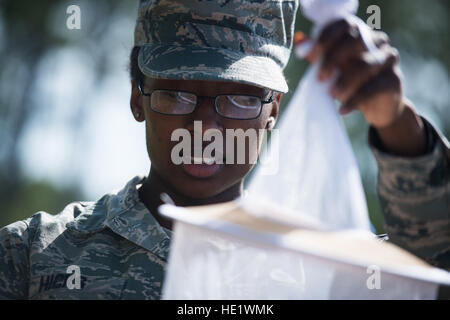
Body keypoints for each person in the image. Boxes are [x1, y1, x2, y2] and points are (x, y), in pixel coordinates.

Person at [0, 0, 448, 299]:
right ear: (137, 96)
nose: (205, 126)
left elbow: (431, 271)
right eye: (176, 94)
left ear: (273, 110)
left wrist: (396, 124)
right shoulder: (31, 256)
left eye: (241, 97)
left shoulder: (333, 267)